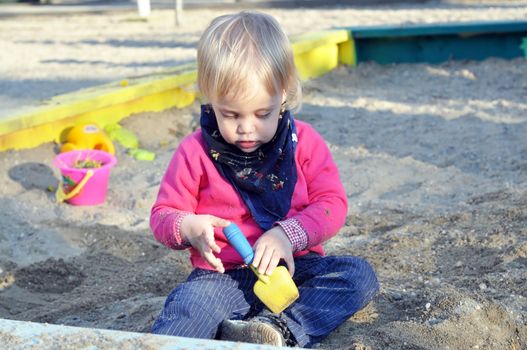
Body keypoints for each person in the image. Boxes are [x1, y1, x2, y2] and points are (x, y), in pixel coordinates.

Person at [150, 10, 379, 348]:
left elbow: (332, 204)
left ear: (283, 95)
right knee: (187, 306)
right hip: (223, 277)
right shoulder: (195, 151)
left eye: (262, 114)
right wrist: (187, 227)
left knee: (358, 276)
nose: (246, 127)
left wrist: (289, 236)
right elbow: (162, 214)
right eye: (230, 114)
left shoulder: (304, 143)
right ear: (209, 96)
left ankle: (278, 330)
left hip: (294, 267)